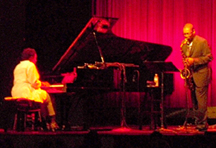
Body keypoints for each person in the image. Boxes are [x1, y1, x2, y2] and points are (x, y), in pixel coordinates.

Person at [11, 47, 59, 131]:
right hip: (26, 92)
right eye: (36, 58)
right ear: (31, 57)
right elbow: (35, 83)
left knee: (41, 95)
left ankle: (44, 122)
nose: (36, 60)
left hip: (16, 92)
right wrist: (42, 84)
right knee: (47, 96)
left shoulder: (18, 66)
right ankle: (52, 122)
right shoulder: (30, 65)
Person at [180, 23, 213, 131]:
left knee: (201, 101)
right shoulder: (183, 44)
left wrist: (194, 61)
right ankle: (197, 121)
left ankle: (202, 124)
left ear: (193, 31)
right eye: (184, 34)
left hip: (201, 74)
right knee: (194, 101)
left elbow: (209, 57)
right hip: (191, 75)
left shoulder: (202, 42)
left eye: (188, 33)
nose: (186, 36)